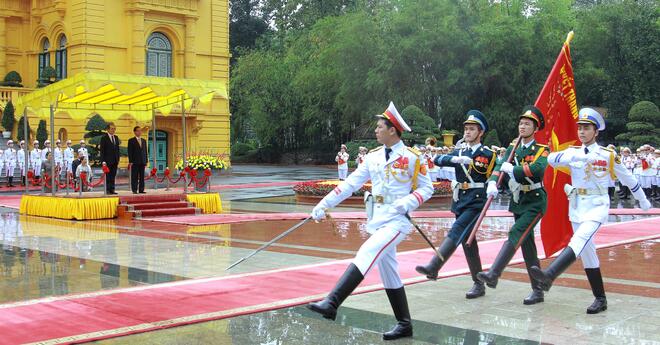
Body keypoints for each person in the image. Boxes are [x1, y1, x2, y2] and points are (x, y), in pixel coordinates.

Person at [307, 102, 433, 340]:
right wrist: (323, 205)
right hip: (377, 218)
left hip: (397, 220)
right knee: (389, 272)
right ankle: (405, 325)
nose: (375, 130)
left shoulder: (413, 157)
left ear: (392, 130)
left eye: (379, 127)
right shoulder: (373, 158)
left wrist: (406, 203)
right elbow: (350, 184)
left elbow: (426, 189)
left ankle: (332, 302)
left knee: (368, 250)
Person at [530, 108, 652, 314]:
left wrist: (643, 200)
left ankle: (550, 274)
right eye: (580, 128)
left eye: (586, 128)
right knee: (588, 254)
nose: (582, 132)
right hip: (577, 205)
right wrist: (571, 159)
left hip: (597, 205)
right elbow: (550, 159)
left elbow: (629, 179)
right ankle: (600, 299)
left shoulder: (608, 155)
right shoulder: (572, 152)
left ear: (596, 132)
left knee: (579, 240)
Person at [415, 110, 497, 299]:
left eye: (472, 129)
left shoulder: (488, 154)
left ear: (480, 132)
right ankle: (478, 284)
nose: (467, 132)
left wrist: (494, 184)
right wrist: (455, 159)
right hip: (461, 200)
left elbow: (497, 172)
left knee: (457, 229)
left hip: (477, 201)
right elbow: (437, 160)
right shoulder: (459, 151)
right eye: (466, 129)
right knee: (469, 244)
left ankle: (434, 266)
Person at [477, 106, 548, 305]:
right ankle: (538, 289)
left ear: (535, 128)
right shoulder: (513, 147)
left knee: (516, 232)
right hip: (518, 201)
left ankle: (494, 273)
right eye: (521, 123)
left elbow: (537, 169)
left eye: (527, 124)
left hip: (535, 200)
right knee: (527, 245)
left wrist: (514, 169)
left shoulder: (542, 149)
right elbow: (500, 165)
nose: (522, 126)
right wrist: (492, 180)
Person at [99, 122, 120, 194]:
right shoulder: (104, 138)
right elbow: (102, 150)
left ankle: (112, 189)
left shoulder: (116, 137)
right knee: (108, 176)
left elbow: (117, 149)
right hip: (107, 160)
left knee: (113, 175)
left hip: (115, 160)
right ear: (107, 129)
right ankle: (107, 190)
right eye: (112, 129)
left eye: (114, 129)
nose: (113, 130)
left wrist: (118, 158)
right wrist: (103, 161)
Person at [128, 126, 148, 194]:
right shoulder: (131, 141)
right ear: (135, 132)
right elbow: (130, 152)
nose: (139, 132)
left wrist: (146, 161)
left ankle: (141, 189)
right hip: (135, 161)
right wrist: (130, 161)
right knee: (134, 176)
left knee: (142, 176)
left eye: (140, 131)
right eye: (138, 131)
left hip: (142, 161)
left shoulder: (144, 141)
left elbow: (145, 151)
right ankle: (134, 190)